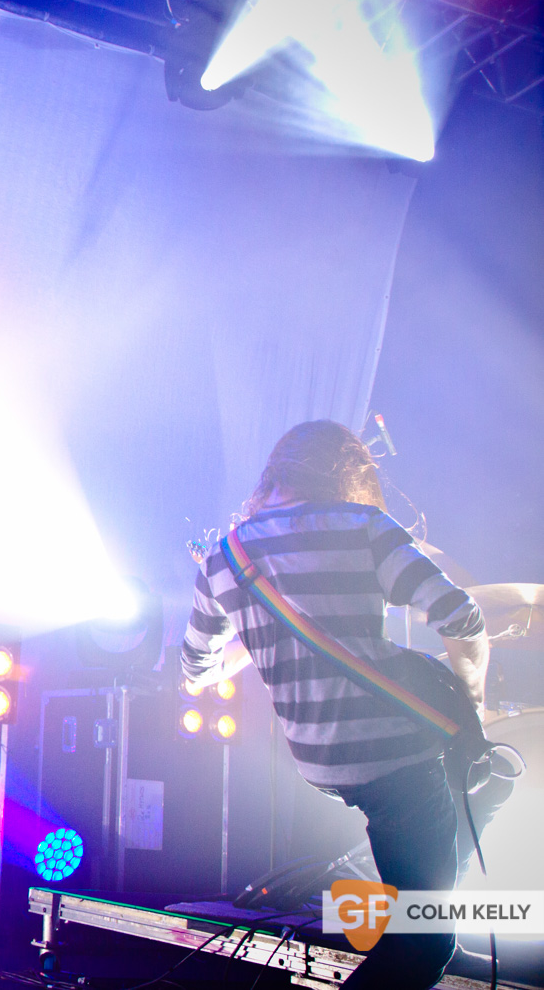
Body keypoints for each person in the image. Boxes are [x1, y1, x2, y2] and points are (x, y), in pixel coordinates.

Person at [181, 420, 488, 990]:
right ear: (347, 472)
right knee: (421, 950)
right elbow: (461, 616)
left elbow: (196, 673)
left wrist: (260, 632)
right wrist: (472, 707)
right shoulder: (364, 526)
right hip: (393, 758)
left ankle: (428, 909)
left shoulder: (224, 558)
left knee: (465, 800)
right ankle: (429, 927)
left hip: (319, 759)